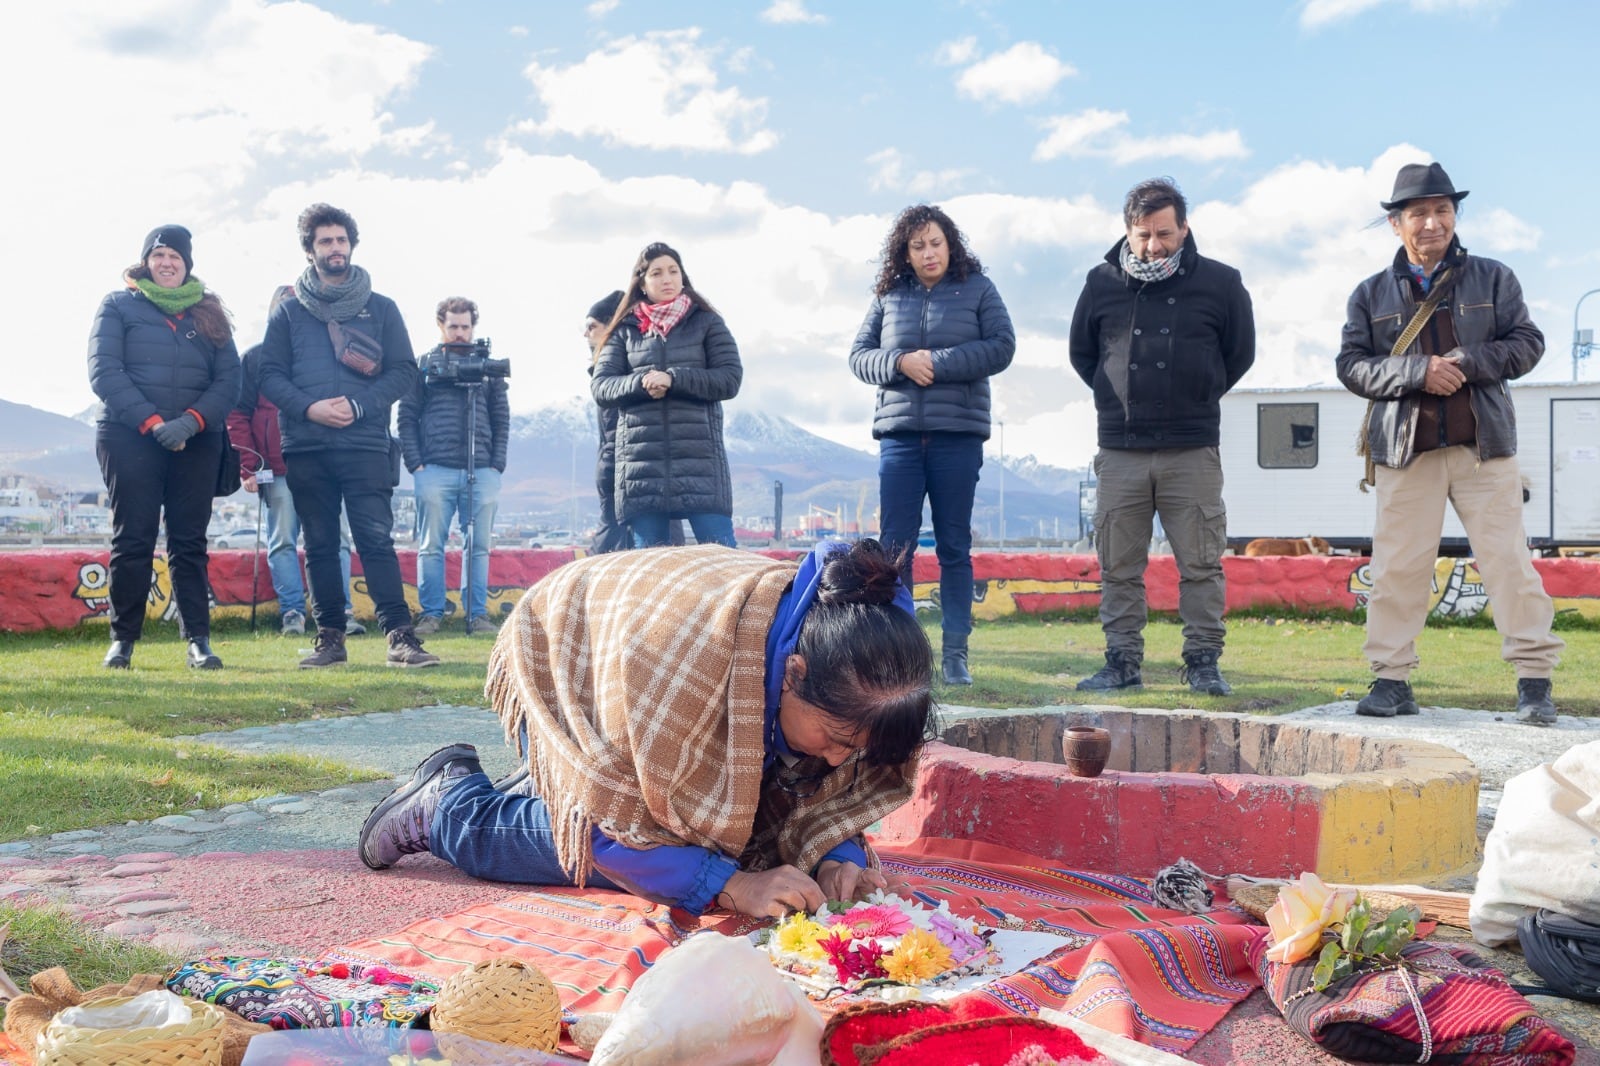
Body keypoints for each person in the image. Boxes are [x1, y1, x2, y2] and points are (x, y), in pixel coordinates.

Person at [358, 539, 933, 918]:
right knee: (635, 858)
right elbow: (612, 838)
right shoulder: (680, 672)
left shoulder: (833, 657)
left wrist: (838, 857)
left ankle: (537, 786)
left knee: (746, 852)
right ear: (795, 675)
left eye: (854, 751)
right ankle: (452, 808)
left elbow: (823, 792)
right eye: (835, 738)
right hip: (569, 655)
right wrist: (732, 887)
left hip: (658, 678)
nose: (837, 762)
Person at [1337, 162, 1561, 725]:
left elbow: (1528, 344)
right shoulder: (1368, 294)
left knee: (1509, 562)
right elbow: (1352, 367)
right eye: (1419, 213)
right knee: (1396, 569)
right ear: (1396, 224)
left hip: (1483, 446)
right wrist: (1418, 372)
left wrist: (1467, 362)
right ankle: (1391, 681)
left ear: (1454, 216)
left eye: (1442, 211)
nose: (1432, 222)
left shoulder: (1494, 277)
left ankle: (1534, 682)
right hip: (1405, 453)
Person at [1069, 177, 1256, 696]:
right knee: (1118, 565)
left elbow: (1239, 354)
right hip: (1120, 449)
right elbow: (1084, 356)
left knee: (1200, 562)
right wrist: (1116, 398)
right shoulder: (1099, 282)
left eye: (1164, 233)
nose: (1154, 246)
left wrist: (1197, 393)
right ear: (1128, 231)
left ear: (1185, 228)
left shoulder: (1221, 282)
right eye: (1143, 234)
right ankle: (1121, 663)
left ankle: (1202, 663)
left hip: (1191, 448)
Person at [257, 203, 439, 668]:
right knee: (318, 544)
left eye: (341, 240)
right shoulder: (289, 314)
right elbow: (269, 376)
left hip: (366, 445)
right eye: (325, 241)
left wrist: (359, 406)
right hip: (306, 445)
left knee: (375, 541)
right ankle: (330, 640)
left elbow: (404, 372)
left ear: (351, 246)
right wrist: (310, 408)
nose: (334, 248)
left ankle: (401, 637)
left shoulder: (382, 308)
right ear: (310, 250)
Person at [848, 204, 1016, 686]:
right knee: (895, 549)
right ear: (905, 251)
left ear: (951, 244)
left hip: (956, 436)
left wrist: (936, 362)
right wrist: (900, 363)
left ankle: (956, 653)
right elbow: (859, 357)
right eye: (917, 245)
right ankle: (900, 653)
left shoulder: (979, 289)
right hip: (899, 437)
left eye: (935, 243)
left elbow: (1002, 346)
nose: (928, 253)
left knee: (953, 546)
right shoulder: (888, 297)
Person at [88, 224, 240, 670]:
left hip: (197, 440)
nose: (167, 263)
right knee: (133, 539)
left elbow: (230, 380)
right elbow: (104, 370)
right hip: (129, 436)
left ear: (187, 264)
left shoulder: (210, 313)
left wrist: (190, 423)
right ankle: (123, 640)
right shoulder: (118, 305)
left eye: (176, 256)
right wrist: (154, 424)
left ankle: (198, 641)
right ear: (146, 262)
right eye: (159, 255)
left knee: (189, 543)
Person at [227, 285, 365, 637]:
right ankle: (292, 613)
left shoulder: (332, 358)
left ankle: (341, 612)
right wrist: (249, 464)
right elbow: (238, 415)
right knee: (283, 542)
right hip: (275, 468)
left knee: (336, 541)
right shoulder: (255, 359)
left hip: (325, 465)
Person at [591, 243, 741, 549]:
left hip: (701, 470)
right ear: (642, 283)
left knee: (726, 564)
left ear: (683, 277)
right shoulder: (624, 331)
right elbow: (602, 386)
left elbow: (730, 378)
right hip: (642, 475)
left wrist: (674, 379)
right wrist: (641, 383)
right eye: (657, 273)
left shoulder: (707, 323)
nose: (667, 278)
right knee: (652, 575)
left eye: (673, 271)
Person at [398, 297, 510, 634]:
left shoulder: (488, 371)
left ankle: (477, 615)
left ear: (473, 327)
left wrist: (496, 464)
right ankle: (431, 613)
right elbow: (406, 417)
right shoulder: (423, 367)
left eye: (465, 327)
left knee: (478, 546)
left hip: (483, 469)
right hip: (434, 469)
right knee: (431, 545)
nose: (460, 333)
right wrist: (416, 463)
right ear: (440, 326)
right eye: (453, 327)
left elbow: (501, 419)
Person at [584, 290, 630, 554]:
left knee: (610, 532)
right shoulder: (608, 369)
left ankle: (583, 591)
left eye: (592, 326)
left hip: (617, 461)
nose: (586, 334)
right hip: (613, 459)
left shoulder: (613, 370)